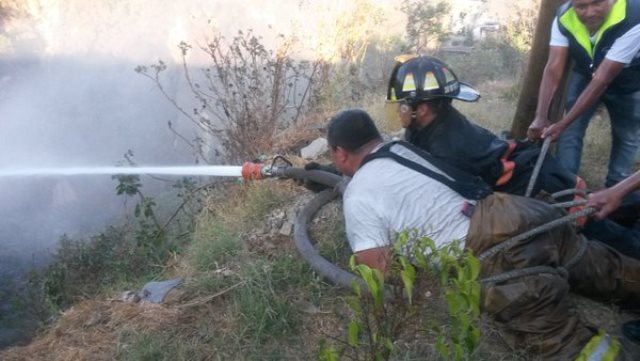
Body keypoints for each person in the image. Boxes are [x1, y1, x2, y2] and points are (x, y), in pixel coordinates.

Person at [327, 108, 640, 360]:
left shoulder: (358, 194)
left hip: (496, 251)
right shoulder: (402, 147)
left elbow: (377, 273)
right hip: (519, 212)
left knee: (561, 344)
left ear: (340, 153)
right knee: (608, 270)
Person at [384, 54, 640, 259]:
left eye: (402, 105)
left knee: (606, 232)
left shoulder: (447, 148)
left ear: (423, 108)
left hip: (538, 186)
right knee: (604, 211)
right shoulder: (432, 125)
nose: (399, 111)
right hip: (528, 169)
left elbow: (471, 201)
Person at [527, 0, 640, 187]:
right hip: (586, 74)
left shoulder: (635, 16)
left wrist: (561, 124)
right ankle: (565, 184)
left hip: (629, 81)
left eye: (597, 3)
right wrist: (541, 116)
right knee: (571, 130)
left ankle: (615, 188)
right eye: (581, 6)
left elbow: (602, 79)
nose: (589, 12)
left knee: (626, 136)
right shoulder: (564, 17)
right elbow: (554, 68)